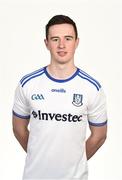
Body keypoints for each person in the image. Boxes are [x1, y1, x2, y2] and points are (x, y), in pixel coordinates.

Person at [12, 15, 107, 180]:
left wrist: (74, 162)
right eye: (55, 39)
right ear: (46, 43)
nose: (61, 45)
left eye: (68, 39)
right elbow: (18, 129)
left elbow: (99, 136)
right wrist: (39, 155)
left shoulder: (92, 88)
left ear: (76, 42)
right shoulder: (27, 84)